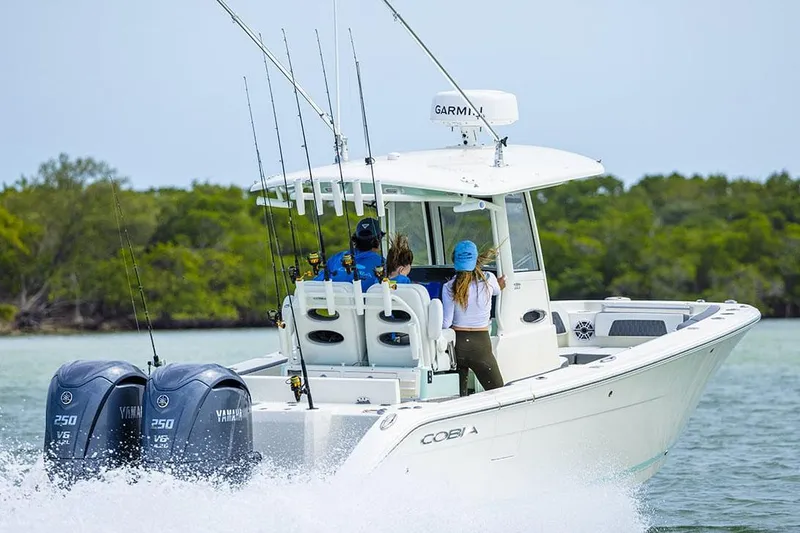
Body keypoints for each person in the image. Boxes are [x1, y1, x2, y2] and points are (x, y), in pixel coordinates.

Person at [441, 240, 507, 397]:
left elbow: (446, 323)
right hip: (481, 347)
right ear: (476, 260)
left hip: (457, 346)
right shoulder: (489, 280)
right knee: (499, 394)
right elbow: (498, 290)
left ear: (455, 261)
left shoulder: (449, 286)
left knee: (457, 399)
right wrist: (501, 285)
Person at [315, 217, 385, 289]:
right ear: (378, 240)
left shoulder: (337, 257)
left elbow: (316, 284)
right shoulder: (383, 263)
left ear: (355, 239)